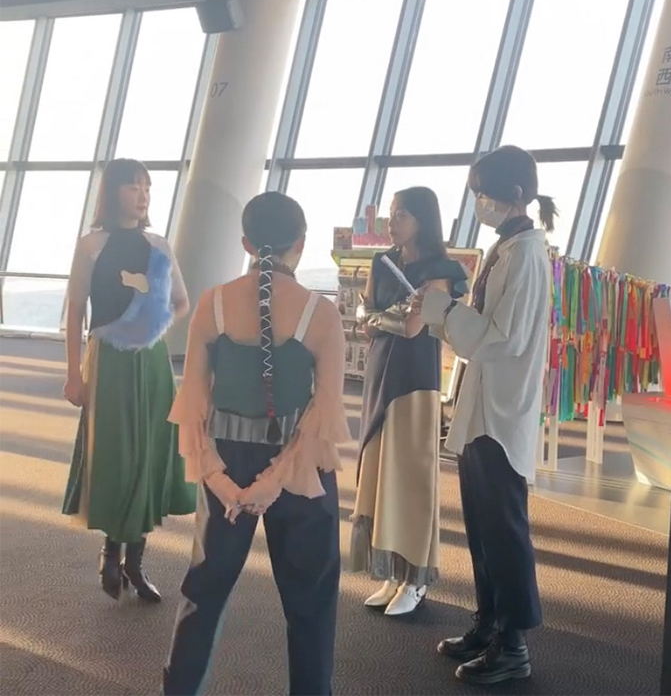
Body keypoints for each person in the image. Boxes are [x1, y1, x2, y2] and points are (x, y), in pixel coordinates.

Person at [163, 191, 349, 696]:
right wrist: (273, 482)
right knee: (311, 601)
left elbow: (192, 405)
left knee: (203, 593)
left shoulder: (213, 303)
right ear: (301, 244)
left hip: (225, 460)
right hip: (301, 470)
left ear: (245, 243)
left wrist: (220, 480)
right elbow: (324, 414)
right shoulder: (321, 313)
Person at [411, 146, 554, 685]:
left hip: (500, 412)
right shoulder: (506, 247)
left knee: (503, 529)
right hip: (482, 409)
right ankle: (490, 623)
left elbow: (499, 339)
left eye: (483, 193)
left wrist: (445, 311)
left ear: (515, 194)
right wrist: (444, 314)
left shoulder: (526, 255)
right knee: (483, 527)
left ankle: (512, 643)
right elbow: (484, 333)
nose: (479, 203)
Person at [62, 158, 195, 602]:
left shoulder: (159, 245)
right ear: (112, 191)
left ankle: (136, 561)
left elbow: (181, 301)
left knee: (150, 454)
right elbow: (75, 312)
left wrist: (152, 328)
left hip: (151, 361)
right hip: (108, 360)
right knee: (116, 453)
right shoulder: (91, 245)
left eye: (147, 187)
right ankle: (111, 550)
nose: (143, 195)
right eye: (133, 186)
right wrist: (73, 375)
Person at [351, 187, 467, 616]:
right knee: (380, 473)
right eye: (391, 213)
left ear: (422, 219)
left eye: (401, 214)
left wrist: (379, 318)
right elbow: (365, 322)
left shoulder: (441, 269)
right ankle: (392, 571)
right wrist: (387, 317)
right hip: (380, 373)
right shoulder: (382, 262)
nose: (391, 222)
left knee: (411, 476)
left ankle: (415, 577)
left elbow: (413, 326)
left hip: (416, 380)